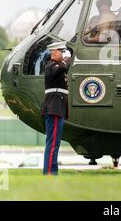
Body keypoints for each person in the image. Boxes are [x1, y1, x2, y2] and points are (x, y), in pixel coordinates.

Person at [42, 41, 71, 175]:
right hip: (54, 108)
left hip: (57, 108)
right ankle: (49, 171)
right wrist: (68, 59)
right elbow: (62, 68)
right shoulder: (51, 66)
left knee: (55, 143)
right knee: (52, 143)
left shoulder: (57, 67)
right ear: (54, 52)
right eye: (62, 51)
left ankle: (53, 170)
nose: (64, 54)